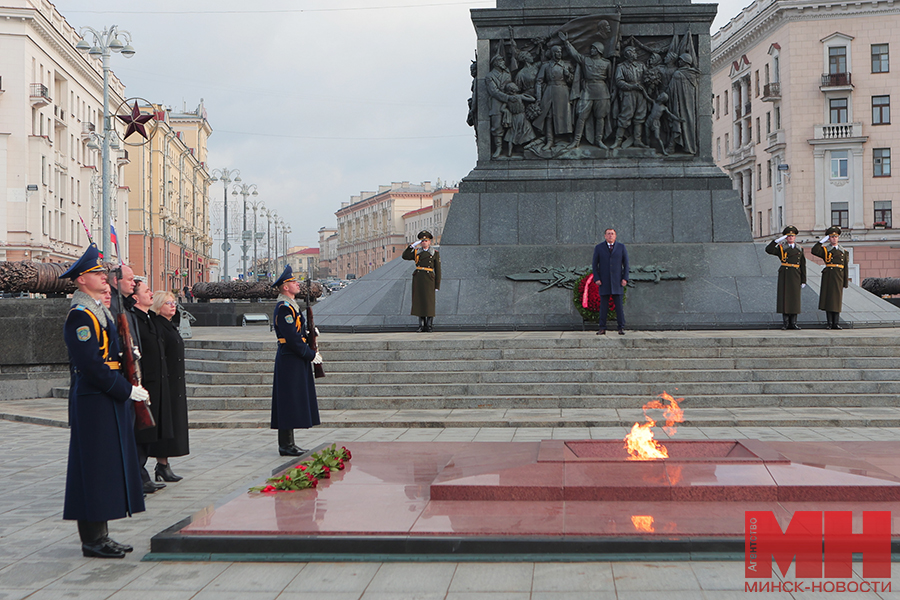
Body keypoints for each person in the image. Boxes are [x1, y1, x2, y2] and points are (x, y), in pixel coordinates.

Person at [60, 244, 147, 558]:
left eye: (102, 272)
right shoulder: (80, 317)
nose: (103, 277)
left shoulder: (99, 312)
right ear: (81, 280)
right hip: (94, 400)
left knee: (107, 467)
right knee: (94, 469)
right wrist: (125, 389)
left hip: (106, 397)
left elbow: (110, 356)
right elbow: (92, 365)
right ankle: (92, 540)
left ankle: (102, 535)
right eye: (96, 273)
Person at [271, 265, 322, 456]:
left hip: (294, 358)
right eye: (293, 282)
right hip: (290, 358)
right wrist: (310, 354)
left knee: (291, 401)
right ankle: (285, 445)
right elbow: (291, 338)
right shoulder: (284, 308)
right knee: (287, 401)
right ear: (285, 287)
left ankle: (289, 443)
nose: (297, 284)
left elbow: (297, 332)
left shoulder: (291, 305)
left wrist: (310, 334)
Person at [131, 279, 173, 493]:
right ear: (136, 297)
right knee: (143, 432)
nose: (151, 293)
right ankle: (139, 474)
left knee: (151, 431)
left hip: (157, 383)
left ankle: (144, 473)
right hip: (145, 384)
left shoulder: (148, 319)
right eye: (147, 291)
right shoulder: (134, 319)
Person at [148, 291, 189, 481]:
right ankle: (161, 465)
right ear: (157, 306)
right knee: (166, 424)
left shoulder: (169, 325)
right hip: (167, 382)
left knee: (172, 424)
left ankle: (163, 465)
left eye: (173, 302)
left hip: (174, 381)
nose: (173, 306)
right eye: (167, 303)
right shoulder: (157, 326)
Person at [560, 33, 611, 149]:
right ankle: (576, 141)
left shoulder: (607, 63)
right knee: (581, 116)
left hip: (602, 91)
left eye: (593, 48)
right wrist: (566, 42)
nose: (591, 50)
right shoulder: (585, 60)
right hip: (587, 90)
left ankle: (599, 140)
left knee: (600, 117)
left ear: (598, 50)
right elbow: (574, 54)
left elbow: (610, 80)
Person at [766, 225, 807, 330]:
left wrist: (803, 280)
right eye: (788, 236)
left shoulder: (800, 249)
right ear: (786, 237)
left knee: (794, 300)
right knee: (785, 299)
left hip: (796, 275)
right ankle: (785, 323)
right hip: (785, 274)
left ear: (795, 237)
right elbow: (769, 250)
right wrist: (776, 241)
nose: (790, 238)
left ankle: (793, 323)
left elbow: (803, 265)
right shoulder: (781, 248)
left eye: (792, 236)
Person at [534, 44, 575, 150]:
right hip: (550, 91)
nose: (559, 54)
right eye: (557, 52)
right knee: (549, 116)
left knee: (565, 114)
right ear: (552, 53)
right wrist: (538, 98)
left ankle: (570, 137)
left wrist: (568, 76)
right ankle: (549, 140)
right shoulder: (546, 66)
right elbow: (539, 81)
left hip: (563, 90)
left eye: (560, 51)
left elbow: (574, 82)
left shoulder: (567, 64)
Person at [402, 230, 441, 332]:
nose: (424, 242)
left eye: (426, 241)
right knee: (419, 301)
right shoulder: (416, 252)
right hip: (419, 278)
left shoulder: (434, 253)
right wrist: (411, 246)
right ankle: (421, 325)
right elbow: (405, 256)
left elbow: (438, 270)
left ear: (429, 242)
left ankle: (429, 325)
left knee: (429, 302)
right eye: (422, 241)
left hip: (429, 279)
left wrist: (437, 285)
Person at [592, 228, 629, 335]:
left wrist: (625, 278)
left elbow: (626, 264)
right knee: (603, 306)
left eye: (612, 234)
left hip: (617, 282)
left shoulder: (621, 247)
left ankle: (621, 327)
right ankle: (602, 328)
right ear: (605, 236)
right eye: (608, 234)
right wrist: (597, 278)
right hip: (604, 282)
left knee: (619, 307)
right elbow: (595, 265)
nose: (610, 236)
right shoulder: (599, 248)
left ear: (615, 235)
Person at [811, 226, 850, 329]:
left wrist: (845, 282)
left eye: (835, 237)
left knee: (836, 301)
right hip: (829, 276)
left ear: (838, 238)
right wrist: (820, 242)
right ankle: (829, 323)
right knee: (829, 301)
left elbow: (845, 267)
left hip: (839, 277)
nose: (834, 239)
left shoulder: (844, 252)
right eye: (831, 237)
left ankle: (835, 323)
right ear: (829, 238)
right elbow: (814, 250)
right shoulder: (825, 250)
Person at [612, 46, 649, 149]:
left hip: (641, 93)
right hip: (628, 93)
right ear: (628, 54)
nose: (635, 53)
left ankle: (638, 140)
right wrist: (631, 86)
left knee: (640, 116)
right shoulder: (621, 66)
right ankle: (618, 141)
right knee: (625, 116)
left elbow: (647, 76)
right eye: (633, 52)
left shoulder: (641, 65)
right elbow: (619, 81)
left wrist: (650, 81)